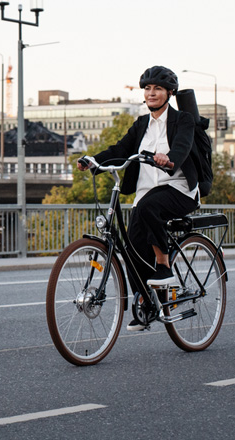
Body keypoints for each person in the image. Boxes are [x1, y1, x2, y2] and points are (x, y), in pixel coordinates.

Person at [77, 65, 200, 331]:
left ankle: (164, 266)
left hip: (179, 189)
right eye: (147, 88)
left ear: (169, 93)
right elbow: (121, 149)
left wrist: (170, 160)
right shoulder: (141, 125)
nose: (151, 93)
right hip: (147, 192)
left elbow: (182, 145)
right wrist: (93, 160)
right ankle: (146, 303)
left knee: (148, 207)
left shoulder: (183, 120)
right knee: (131, 247)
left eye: (157, 88)